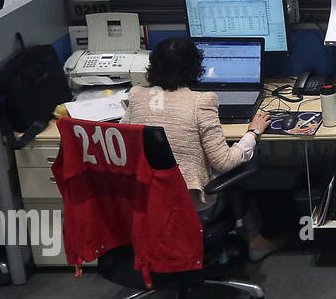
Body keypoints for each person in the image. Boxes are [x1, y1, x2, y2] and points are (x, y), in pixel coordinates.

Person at [122, 38, 286, 261]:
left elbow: (124, 142)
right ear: (196, 68)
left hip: (147, 203)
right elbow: (224, 162)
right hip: (193, 208)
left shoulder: (136, 96)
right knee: (236, 172)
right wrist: (253, 133)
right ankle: (254, 241)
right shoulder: (201, 101)